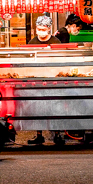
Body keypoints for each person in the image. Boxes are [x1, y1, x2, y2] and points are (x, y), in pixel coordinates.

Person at [27, 14, 62, 145]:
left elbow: (60, 58)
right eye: (38, 28)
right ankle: (39, 134)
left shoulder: (56, 42)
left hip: (53, 77)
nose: (40, 31)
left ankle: (57, 134)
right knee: (38, 107)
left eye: (43, 28)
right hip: (37, 77)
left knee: (55, 107)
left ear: (49, 28)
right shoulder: (32, 42)